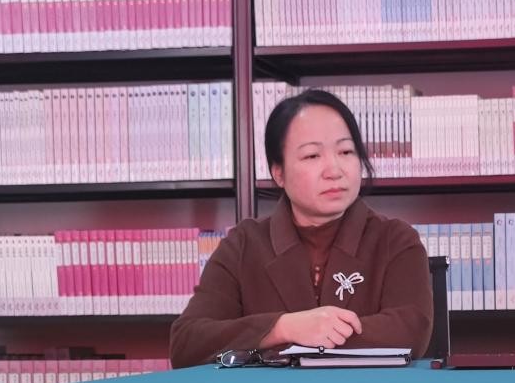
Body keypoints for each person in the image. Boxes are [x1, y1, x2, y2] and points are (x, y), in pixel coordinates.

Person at [170, 89, 433, 368]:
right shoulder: (244, 244)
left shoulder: (395, 239)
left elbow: (410, 331)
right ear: (278, 173)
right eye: (312, 156)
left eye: (346, 151)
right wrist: (283, 328)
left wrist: (293, 342)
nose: (334, 170)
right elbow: (187, 343)